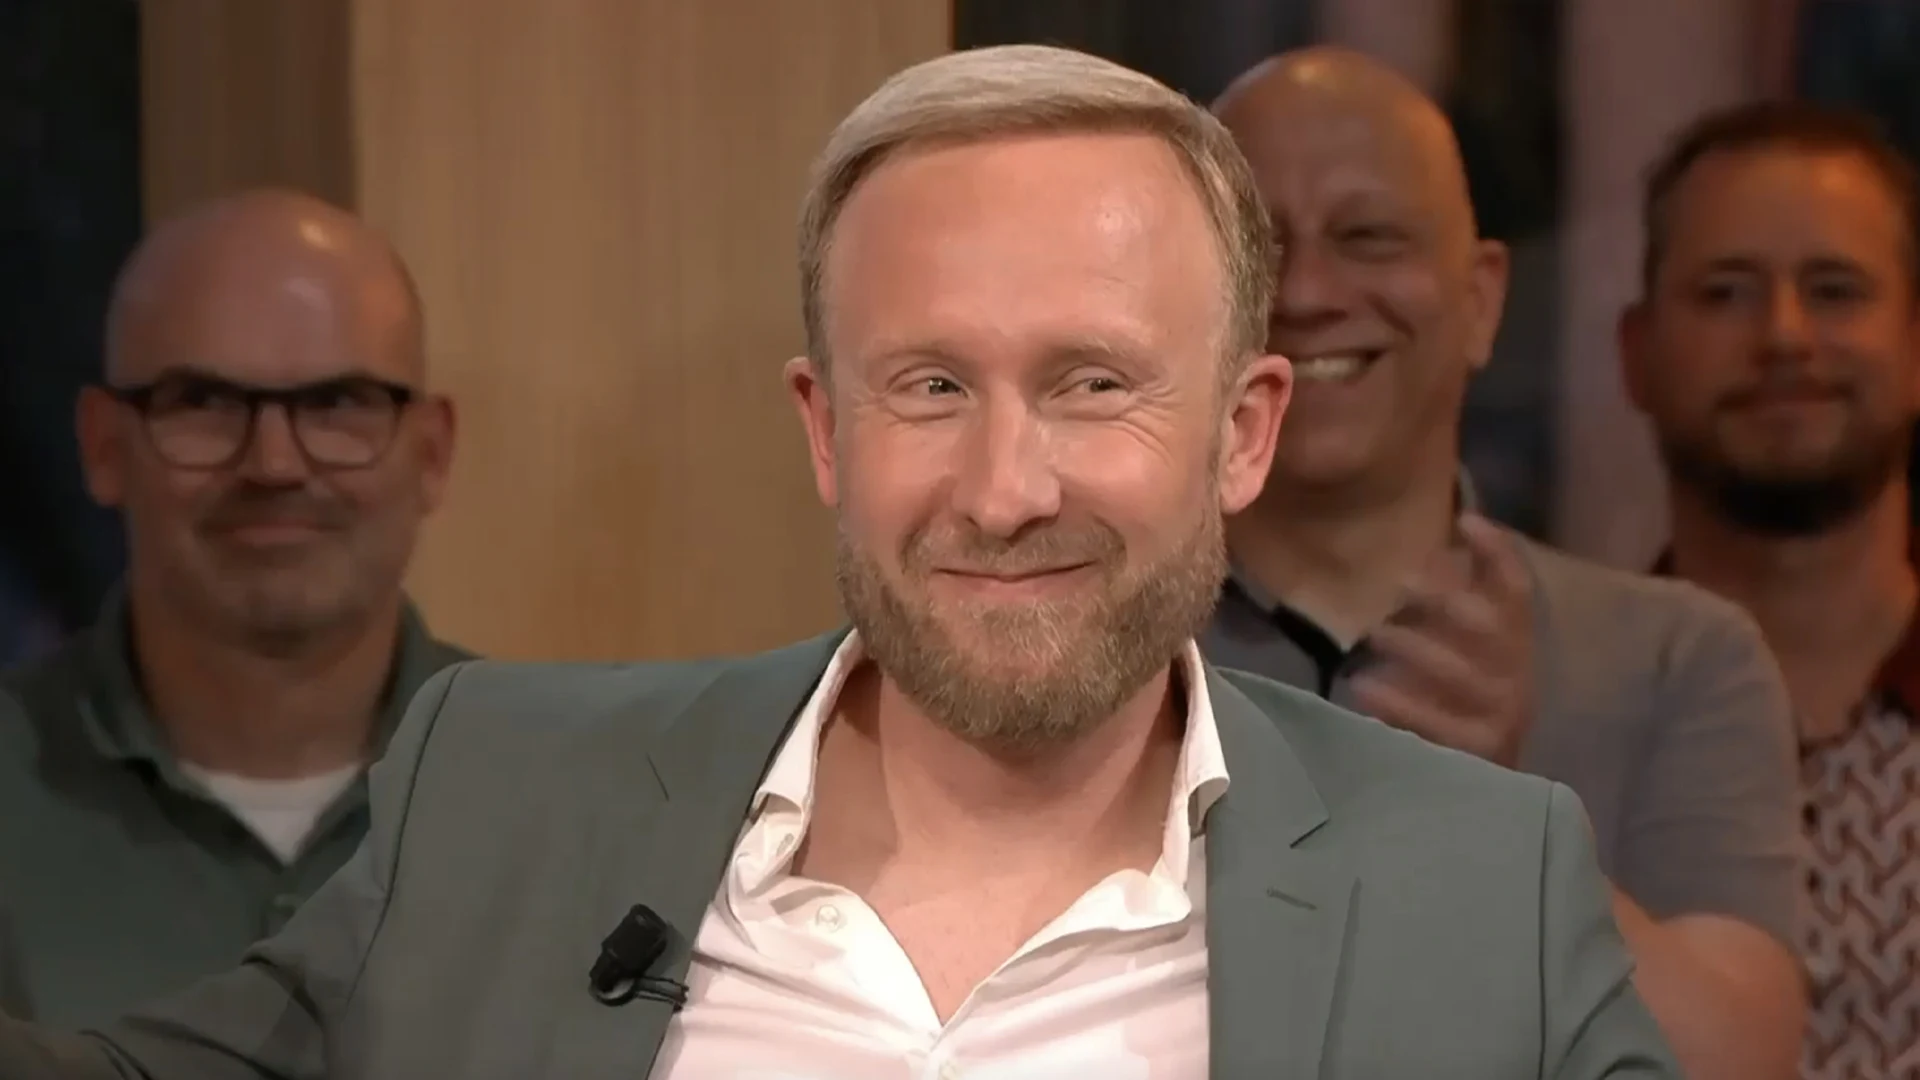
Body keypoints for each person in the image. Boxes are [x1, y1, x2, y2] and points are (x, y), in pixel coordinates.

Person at [0, 45, 1677, 1078]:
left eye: (1093, 385)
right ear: (824, 429)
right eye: (929, 388)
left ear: (1244, 431)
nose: (1003, 491)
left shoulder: (1482, 885)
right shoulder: (502, 790)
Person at [1203, 48, 1804, 1080]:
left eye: (1368, 236)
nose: (1305, 291)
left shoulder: (1682, 660)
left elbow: (1740, 1060)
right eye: (1258, 247)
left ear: (1482, 301)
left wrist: (1501, 814)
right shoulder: (1104, 651)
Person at [0, 190, 471, 1026]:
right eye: (204, 402)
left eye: (337, 403)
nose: (274, 464)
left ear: (432, 453)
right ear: (102, 446)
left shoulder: (572, 804)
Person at [1623, 100, 1920, 1080]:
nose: (1786, 336)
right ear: (1636, 353)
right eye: (1725, 293)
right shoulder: (1543, 718)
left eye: (1835, 290)